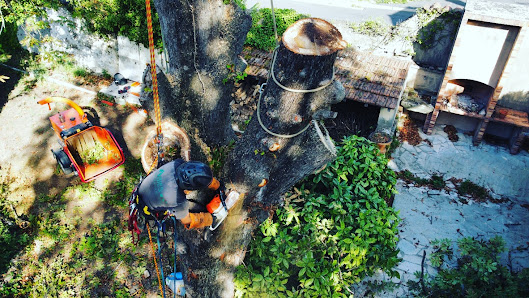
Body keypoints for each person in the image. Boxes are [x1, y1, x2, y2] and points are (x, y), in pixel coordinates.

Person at [130, 159, 226, 231]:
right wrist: (210, 218)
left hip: (144, 188)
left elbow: (202, 176)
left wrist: (218, 185)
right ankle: (211, 219)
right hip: (146, 205)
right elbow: (186, 220)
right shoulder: (176, 199)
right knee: (191, 213)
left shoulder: (177, 163)